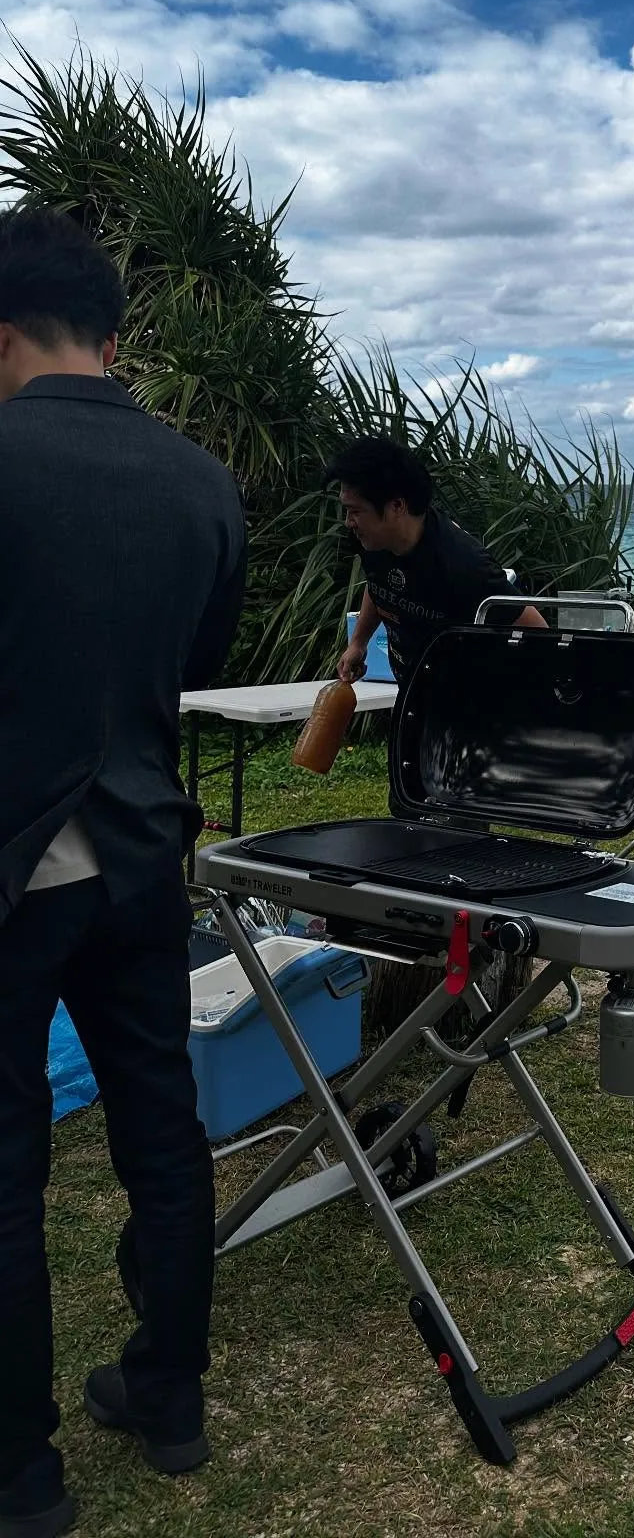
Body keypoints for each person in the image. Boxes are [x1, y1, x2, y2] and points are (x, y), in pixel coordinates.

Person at [0, 208, 247, 1538]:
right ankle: (168, 1399)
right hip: (146, 851)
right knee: (163, 1134)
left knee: (5, 1173)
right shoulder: (203, 479)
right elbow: (186, 672)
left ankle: (23, 1480)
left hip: (14, 863)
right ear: (110, 335)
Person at [325, 436, 544, 689]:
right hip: (412, 686)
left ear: (397, 506)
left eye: (355, 511)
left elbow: (535, 627)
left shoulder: (465, 566)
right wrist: (358, 642)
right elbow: (378, 584)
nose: (348, 522)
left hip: (463, 701)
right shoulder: (373, 540)